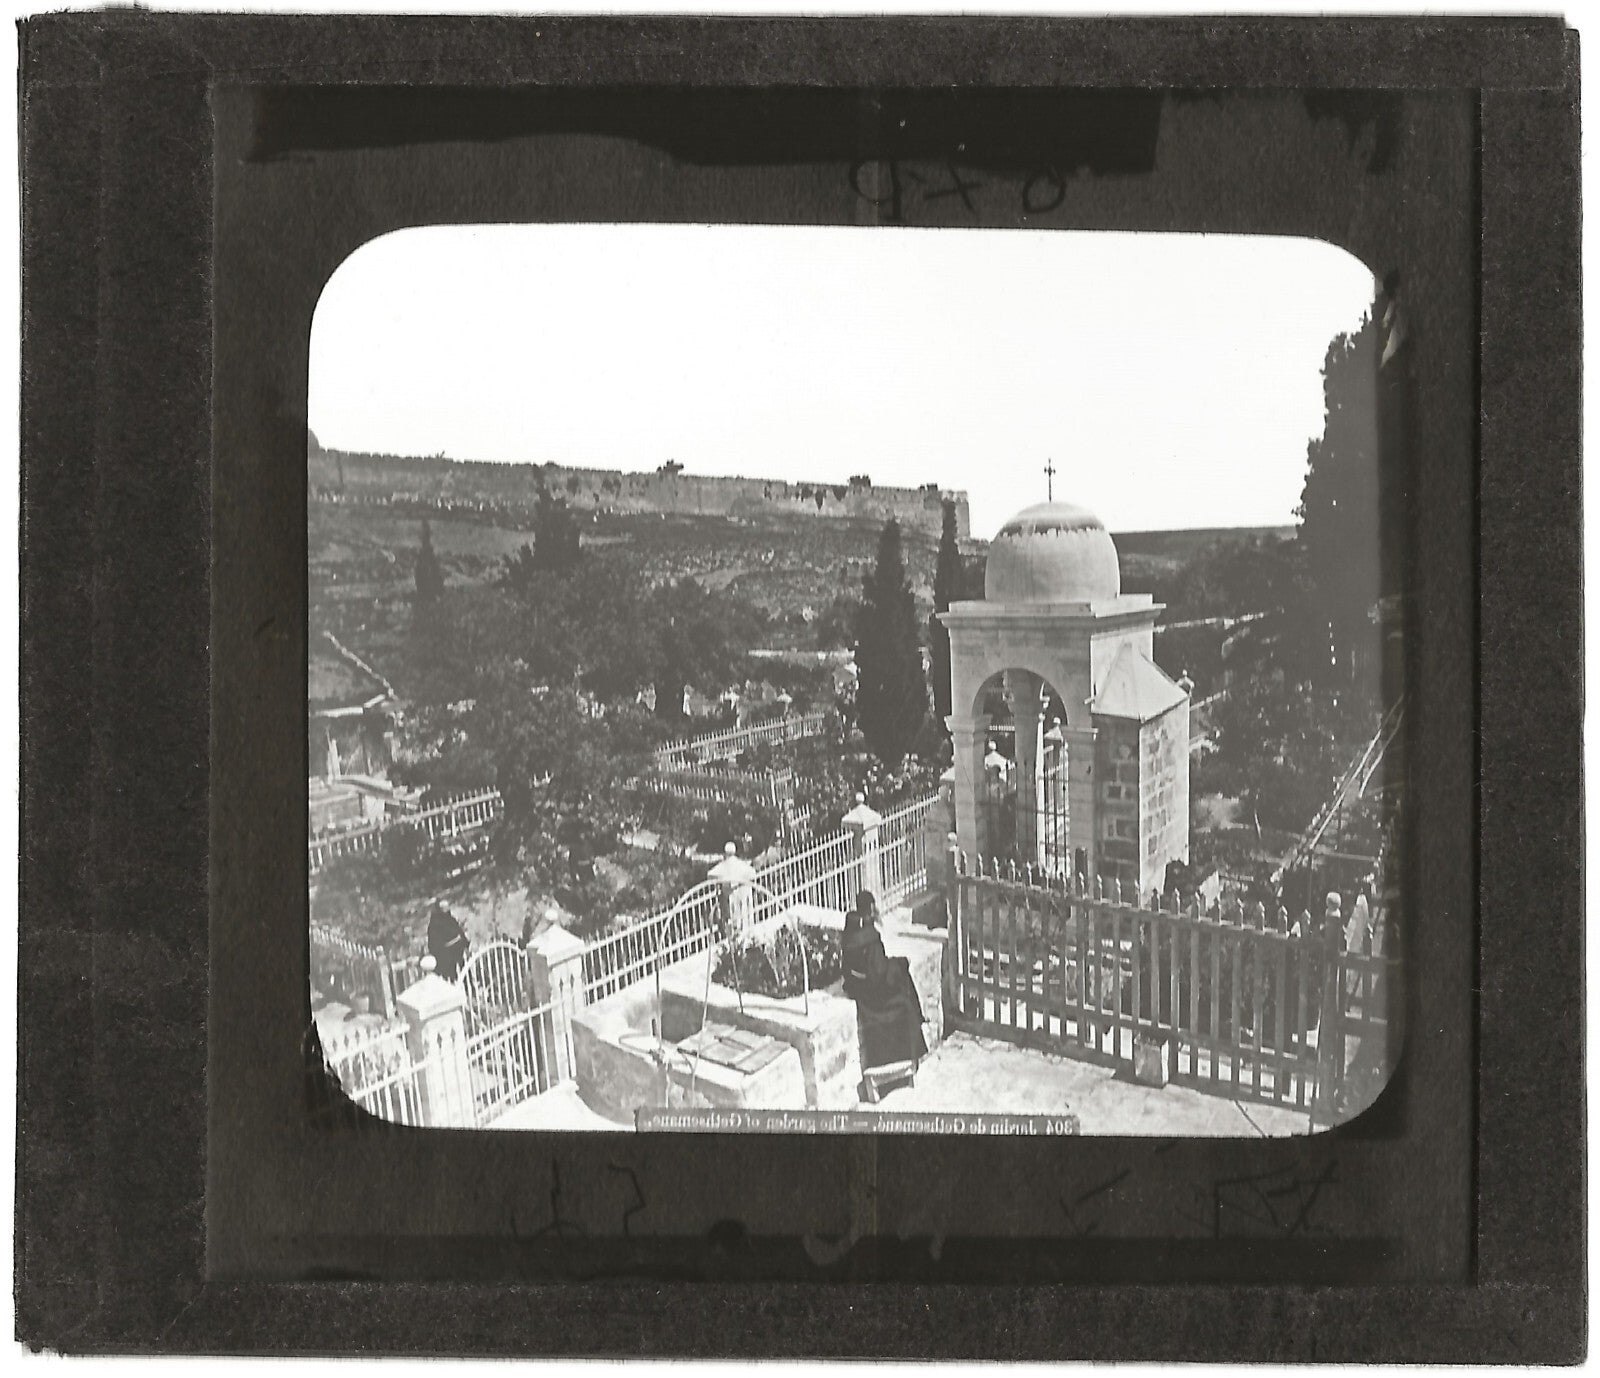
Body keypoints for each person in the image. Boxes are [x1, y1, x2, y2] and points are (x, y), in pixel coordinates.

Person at [842, 891, 928, 1081]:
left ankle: (919, 1016)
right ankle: (916, 1035)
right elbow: (878, 974)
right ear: (871, 908)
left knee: (899, 970)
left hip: (855, 985)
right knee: (904, 991)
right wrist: (897, 965)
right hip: (870, 992)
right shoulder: (870, 937)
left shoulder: (850, 930)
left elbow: (857, 966)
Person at [427, 902, 470, 982]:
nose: (446, 909)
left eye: (447, 906)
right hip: (445, 955)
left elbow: (459, 931)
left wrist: (464, 942)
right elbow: (435, 942)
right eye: (443, 907)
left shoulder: (450, 919)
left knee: (464, 974)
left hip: (457, 952)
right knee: (449, 977)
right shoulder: (435, 923)